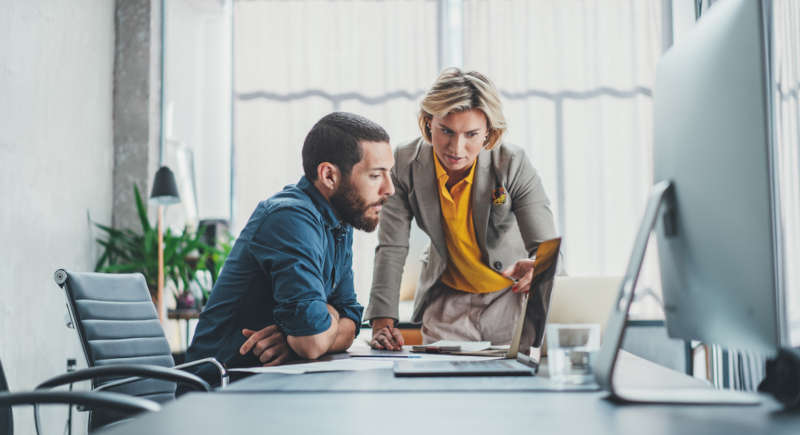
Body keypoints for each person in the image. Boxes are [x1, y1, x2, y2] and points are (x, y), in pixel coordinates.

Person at [185, 112, 394, 382]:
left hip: (269, 385)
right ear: (329, 175)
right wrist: (320, 324)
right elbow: (312, 342)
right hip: (219, 391)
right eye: (376, 175)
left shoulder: (339, 224)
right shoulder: (290, 219)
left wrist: (296, 334)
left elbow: (351, 317)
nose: (389, 189)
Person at [367, 68, 558, 353]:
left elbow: (546, 247)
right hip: (447, 304)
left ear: (489, 133)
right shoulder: (404, 163)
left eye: (471, 134)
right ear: (429, 122)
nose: (456, 147)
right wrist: (382, 324)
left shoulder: (512, 163)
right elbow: (392, 246)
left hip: (509, 300)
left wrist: (540, 268)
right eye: (446, 131)